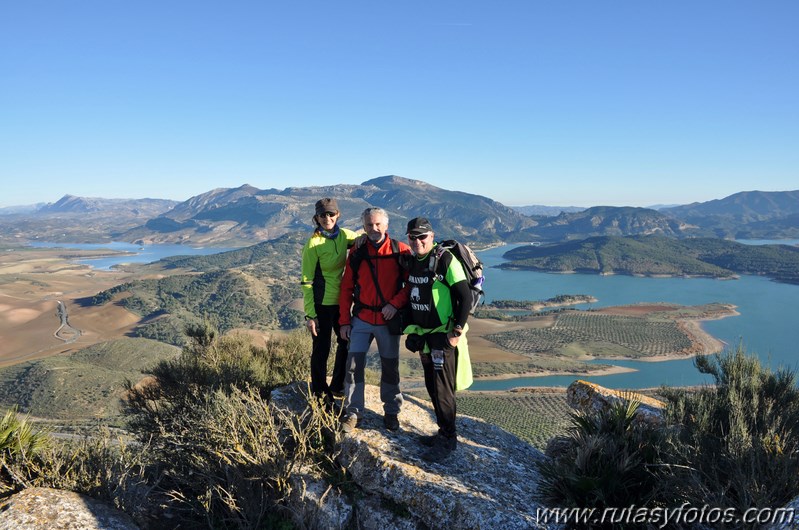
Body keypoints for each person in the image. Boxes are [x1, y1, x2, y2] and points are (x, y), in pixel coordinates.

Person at [402, 217, 472, 463]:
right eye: (413, 237)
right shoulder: (413, 261)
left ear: (432, 236)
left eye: (423, 237)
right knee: (432, 385)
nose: (418, 241)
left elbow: (465, 297)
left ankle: (449, 439)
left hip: (443, 336)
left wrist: (457, 332)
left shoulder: (444, 259)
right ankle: (442, 432)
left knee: (443, 389)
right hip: (424, 336)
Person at [338, 207, 411, 432]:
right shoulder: (358, 252)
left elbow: (411, 284)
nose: (374, 228)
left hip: (388, 319)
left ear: (387, 226)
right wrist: (344, 321)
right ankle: (353, 413)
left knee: (390, 367)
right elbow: (346, 288)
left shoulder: (401, 251)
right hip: (361, 318)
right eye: (369, 225)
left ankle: (391, 412)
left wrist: (395, 304)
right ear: (363, 227)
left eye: (378, 224)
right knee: (352, 366)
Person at [301, 198, 358, 404]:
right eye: (323, 215)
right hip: (321, 304)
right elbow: (306, 281)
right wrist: (310, 315)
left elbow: (368, 239)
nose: (327, 218)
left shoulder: (345, 236)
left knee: (346, 342)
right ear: (316, 218)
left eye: (331, 214)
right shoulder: (313, 244)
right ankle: (319, 392)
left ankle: (337, 385)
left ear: (338, 215)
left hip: (341, 302)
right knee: (322, 347)